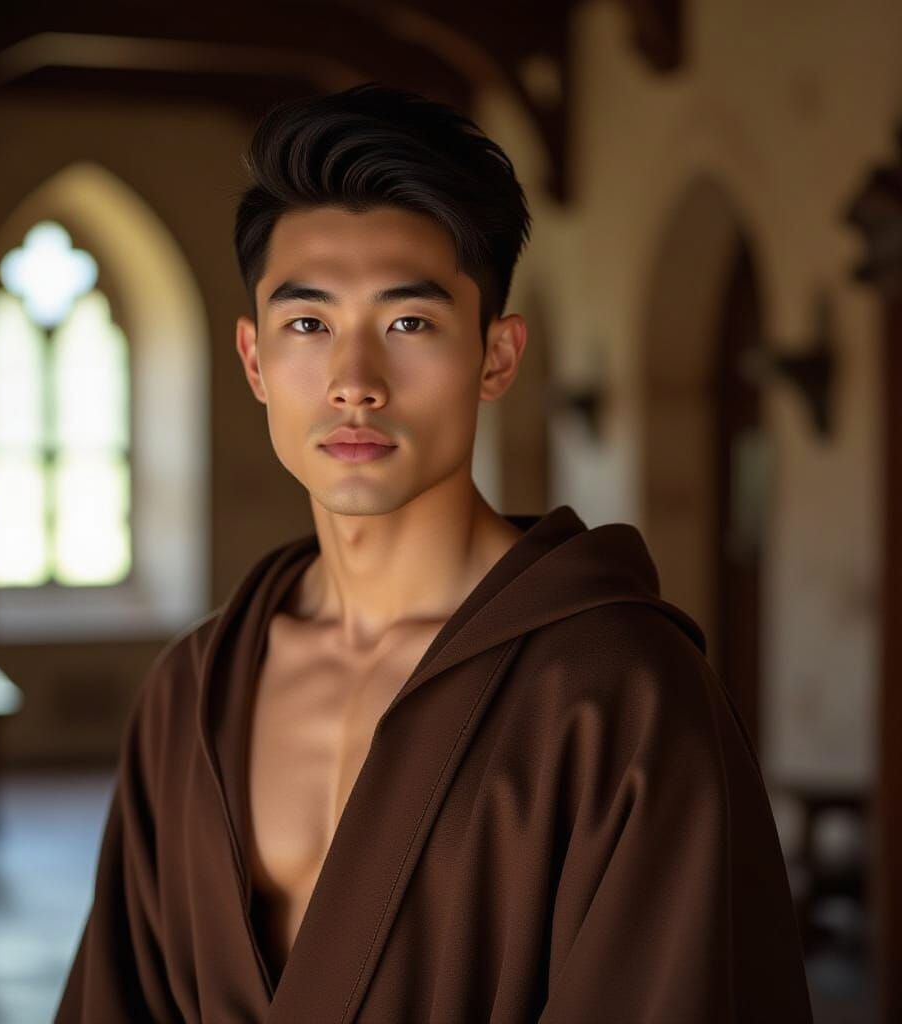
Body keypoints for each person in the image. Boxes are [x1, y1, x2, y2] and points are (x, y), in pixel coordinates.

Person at [54, 81, 813, 1023]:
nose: (355, 383)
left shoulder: (625, 696)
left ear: (497, 357)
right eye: (309, 324)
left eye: (409, 323)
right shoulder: (189, 693)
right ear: (254, 360)